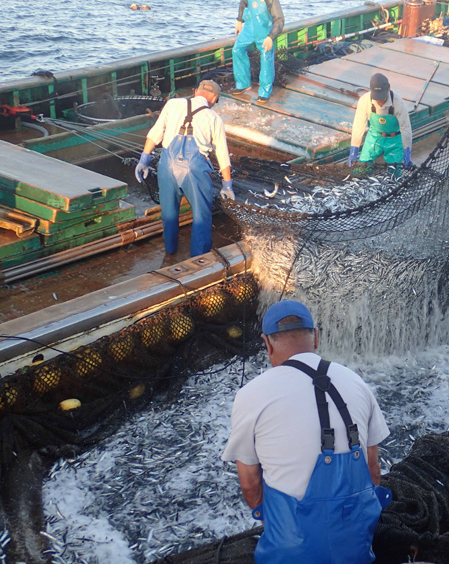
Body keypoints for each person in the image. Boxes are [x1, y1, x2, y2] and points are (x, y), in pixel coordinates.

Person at [222, 299, 392, 564]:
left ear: (267, 344)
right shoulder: (356, 383)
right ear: (316, 338)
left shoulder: (251, 395)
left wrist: (278, 524)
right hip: (355, 548)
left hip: (289, 553)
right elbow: (373, 471)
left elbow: (250, 485)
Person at [135, 79, 234, 257]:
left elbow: (156, 133)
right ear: (214, 99)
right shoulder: (214, 118)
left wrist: (144, 160)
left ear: (195, 91)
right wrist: (227, 184)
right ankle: (199, 260)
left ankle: (170, 251)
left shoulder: (172, 104)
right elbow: (222, 154)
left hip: (167, 165)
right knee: (201, 216)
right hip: (194, 169)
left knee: (169, 213)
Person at [232, 0, 285, 104]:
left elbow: (279, 20)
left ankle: (264, 92)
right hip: (249, 28)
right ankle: (243, 83)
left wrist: (270, 37)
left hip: (264, 31)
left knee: (266, 57)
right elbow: (243, 3)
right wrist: (239, 20)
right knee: (237, 50)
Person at [348, 73, 413, 179]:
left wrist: (407, 153)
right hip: (374, 136)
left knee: (394, 172)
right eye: (377, 97)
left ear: (388, 88)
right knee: (361, 168)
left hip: (394, 138)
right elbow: (359, 125)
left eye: (382, 97)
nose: (379, 101)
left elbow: (406, 129)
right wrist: (354, 150)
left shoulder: (398, 103)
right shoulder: (365, 100)